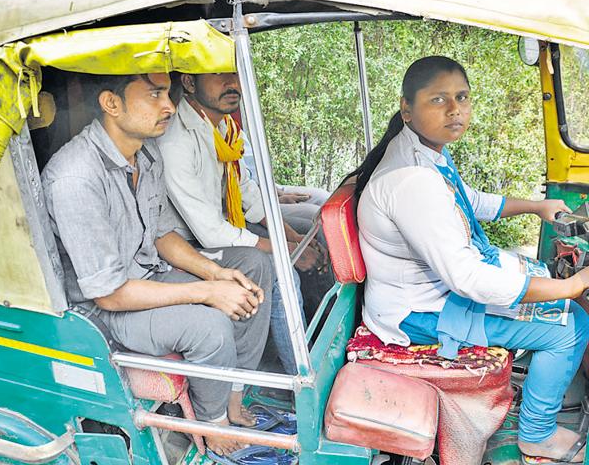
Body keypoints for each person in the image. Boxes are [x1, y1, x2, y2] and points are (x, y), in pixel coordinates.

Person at [349, 56, 589, 465]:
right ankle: (536, 435)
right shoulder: (412, 180)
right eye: (438, 99)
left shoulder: (425, 152)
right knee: (569, 325)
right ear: (407, 108)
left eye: (461, 97)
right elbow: (467, 278)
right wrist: (571, 287)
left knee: (545, 285)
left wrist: (535, 207)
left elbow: (468, 201)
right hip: (418, 313)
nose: (454, 109)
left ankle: (539, 389)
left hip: (429, 295)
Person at [41, 72, 272, 456]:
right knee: (210, 324)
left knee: (250, 265)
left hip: (149, 276)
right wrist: (207, 291)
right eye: (153, 95)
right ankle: (212, 424)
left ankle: (232, 391)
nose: (168, 105)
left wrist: (215, 273)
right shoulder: (76, 178)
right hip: (105, 312)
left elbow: (163, 234)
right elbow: (111, 295)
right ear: (111, 104)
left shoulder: (145, 155)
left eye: (167, 93)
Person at [158, 72, 326, 375]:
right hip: (187, 245)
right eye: (219, 75)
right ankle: (300, 376)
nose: (232, 83)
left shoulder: (224, 127)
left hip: (220, 227)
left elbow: (246, 190)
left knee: (309, 234)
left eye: (235, 74)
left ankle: (315, 343)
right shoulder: (176, 140)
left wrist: (292, 238)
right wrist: (284, 249)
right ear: (189, 83)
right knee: (278, 269)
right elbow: (208, 231)